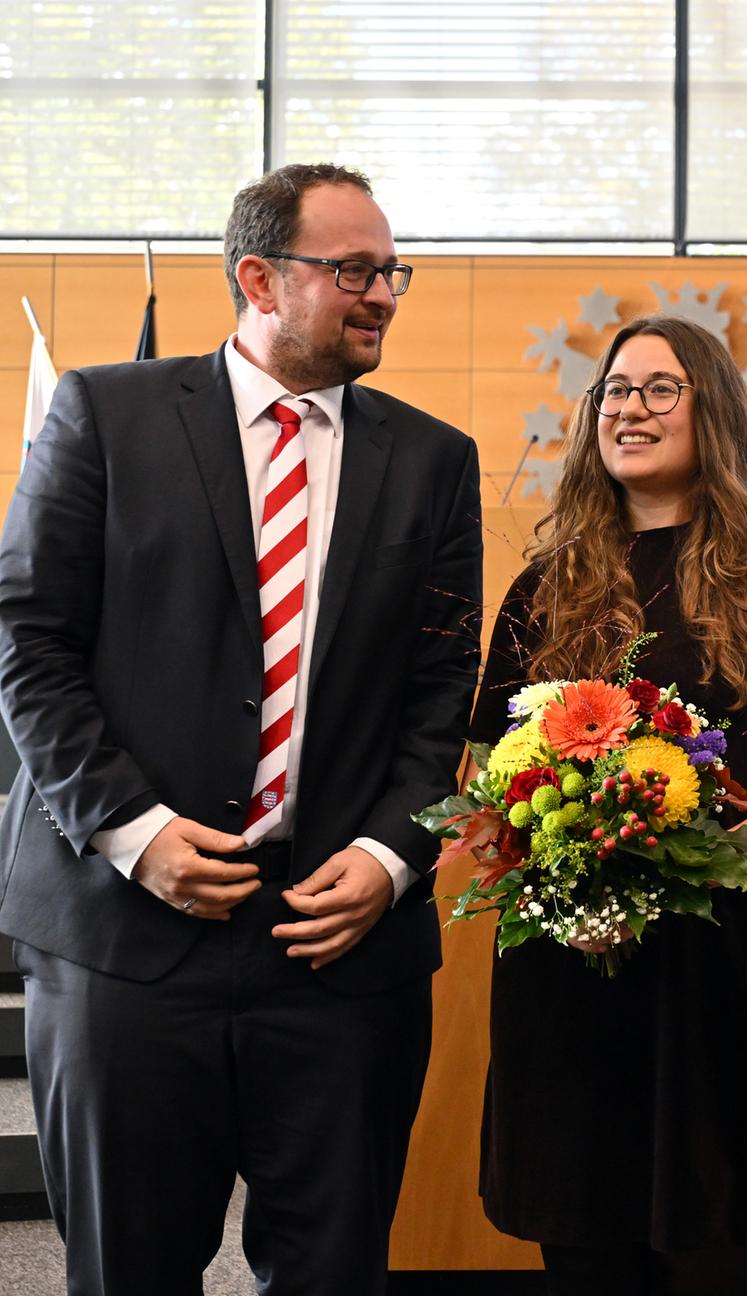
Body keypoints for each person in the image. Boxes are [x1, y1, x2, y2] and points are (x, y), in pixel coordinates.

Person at [0, 163, 482, 1294]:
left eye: (390, 271)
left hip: (340, 946)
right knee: (130, 1270)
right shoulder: (103, 415)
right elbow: (28, 644)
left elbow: (441, 691)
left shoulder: (432, 460)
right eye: (354, 270)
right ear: (259, 278)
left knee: (331, 1272)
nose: (382, 294)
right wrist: (133, 830)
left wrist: (390, 858)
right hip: (123, 934)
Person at [470, 314, 747, 1295]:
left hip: (720, 970)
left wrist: (717, 844)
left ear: (710, 411)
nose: (629, 409)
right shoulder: (542, 589)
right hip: (571, 967)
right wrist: (551, 846)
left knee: (707, 1255)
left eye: (658, 389)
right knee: (584, 1249)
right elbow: (480, 788)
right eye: (614, 390)